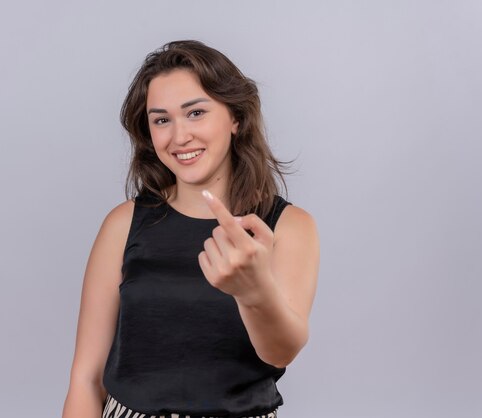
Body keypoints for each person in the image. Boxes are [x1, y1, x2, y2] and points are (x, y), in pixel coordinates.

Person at [61, 40, 320, 418]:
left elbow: (282, 351)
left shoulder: (289, 227)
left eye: (195, 113)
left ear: (235, 118)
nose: (179, 136)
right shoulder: (123, 223)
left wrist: (254, 291)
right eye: (161, 120)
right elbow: (85, 379)